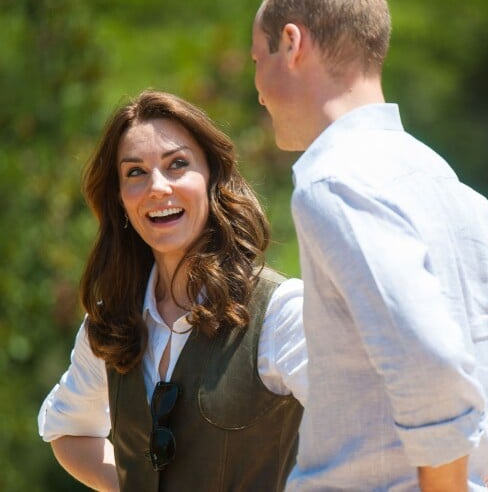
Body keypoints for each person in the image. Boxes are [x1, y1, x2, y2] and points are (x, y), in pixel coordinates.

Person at [251, 0, 488, 491]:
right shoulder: (455, 193)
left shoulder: (332, 181)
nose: (258, 88)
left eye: (257, 58)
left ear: (292, 43)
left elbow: (431, 362)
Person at [38, 90, 307, 492]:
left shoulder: (281, 311)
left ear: (212, 179)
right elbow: (67, 429)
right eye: (135, 172)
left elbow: (365, 435)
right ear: (120, 199)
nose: (157, 187)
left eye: (177, 165)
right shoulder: (112, 322)